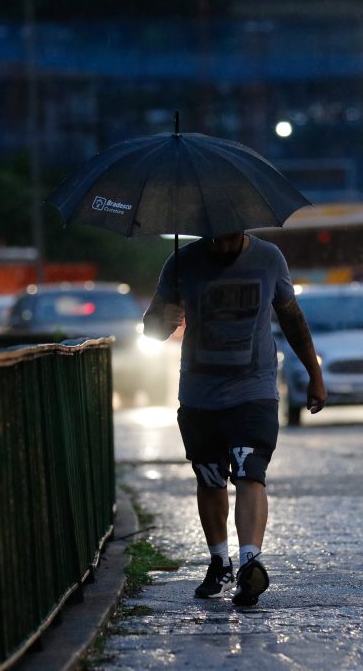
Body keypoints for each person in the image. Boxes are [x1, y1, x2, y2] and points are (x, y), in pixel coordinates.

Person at [142, 230, 327, 606]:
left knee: (250, 471)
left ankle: (249, 563)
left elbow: (291, 317)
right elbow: (150, 329)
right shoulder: (181, 262)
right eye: (214, 239)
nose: (221, 246)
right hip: (199, 395)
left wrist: (315, 374)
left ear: (242, 229)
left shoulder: (269, 258)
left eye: (228, 238)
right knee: (210, 478)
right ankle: (218, 561)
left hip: (253, 391)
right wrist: (167, 318)